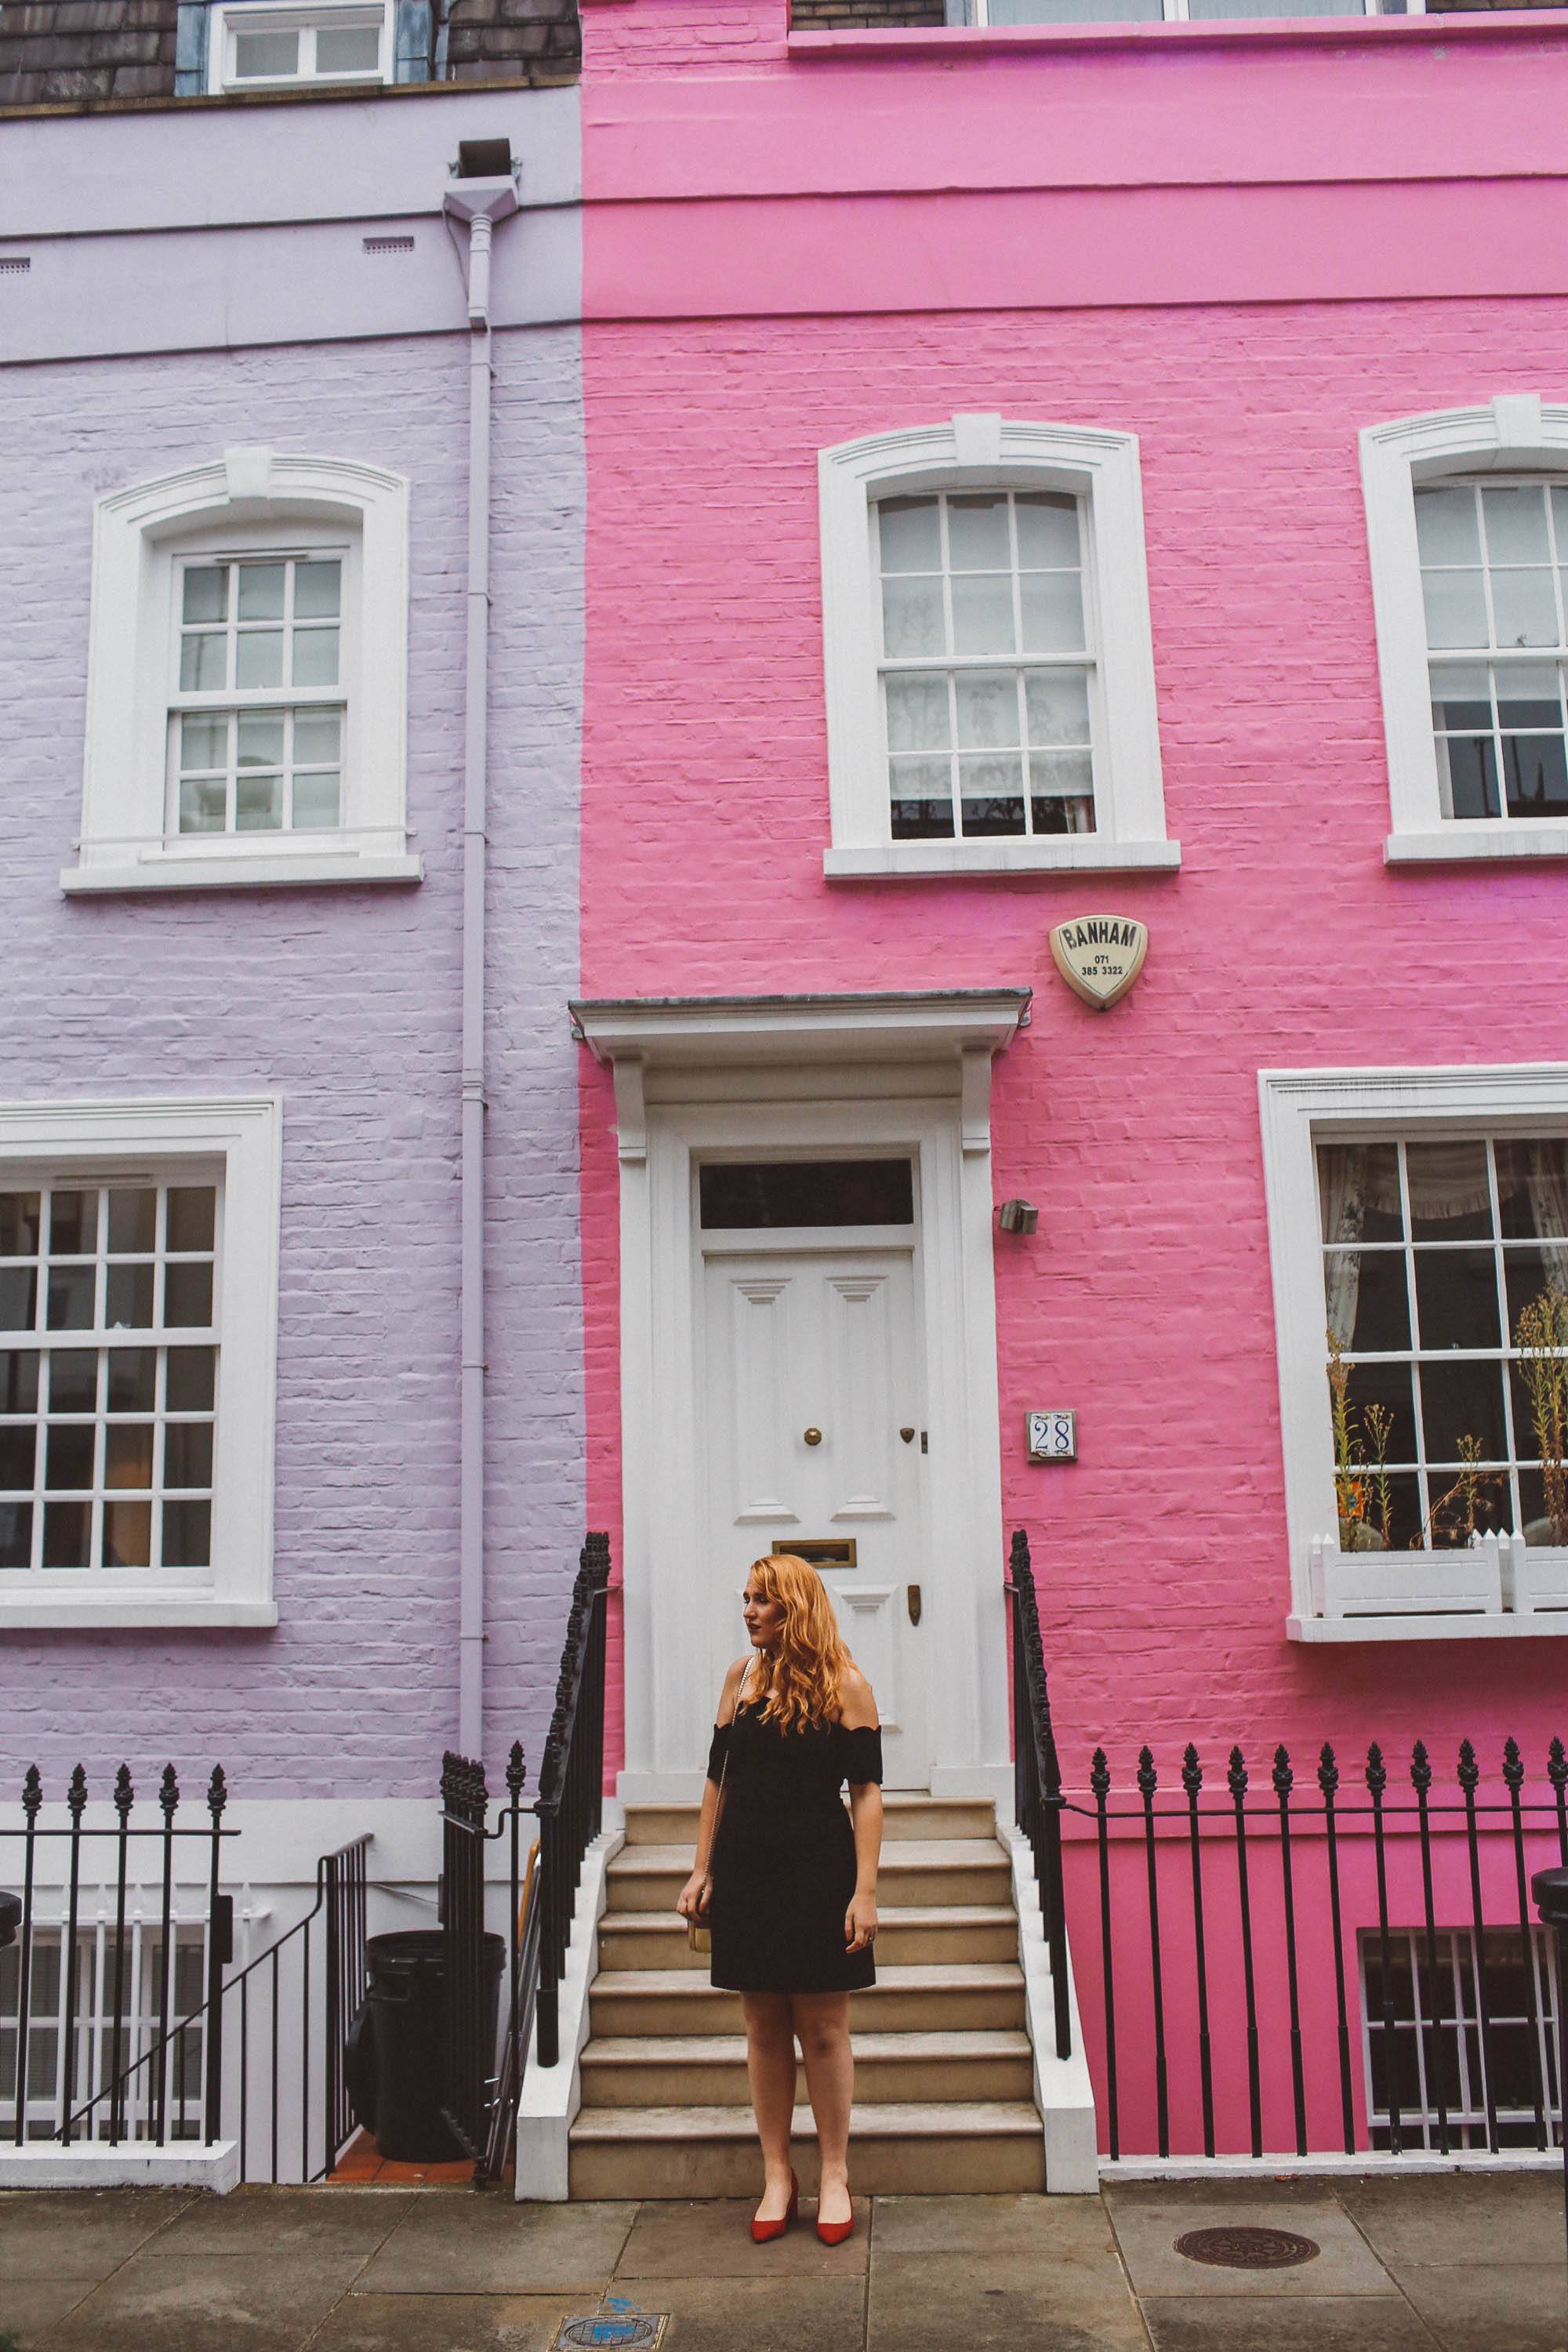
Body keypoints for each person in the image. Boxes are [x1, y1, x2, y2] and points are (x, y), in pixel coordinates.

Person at [677, 1552, 884, 2246]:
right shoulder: (740, 1680)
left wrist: (866, 1891)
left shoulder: (846, 1683)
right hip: (747, 1869)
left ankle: (832, 2173)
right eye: (746, 1599)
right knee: (763, 2026)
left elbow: (867, 1794)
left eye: (762, 1601)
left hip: (819, 1869)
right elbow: (717, 1784)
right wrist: (701, 1870)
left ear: (795, 1607)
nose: (748, 1612)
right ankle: (776, 2174)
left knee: (823, 2028)